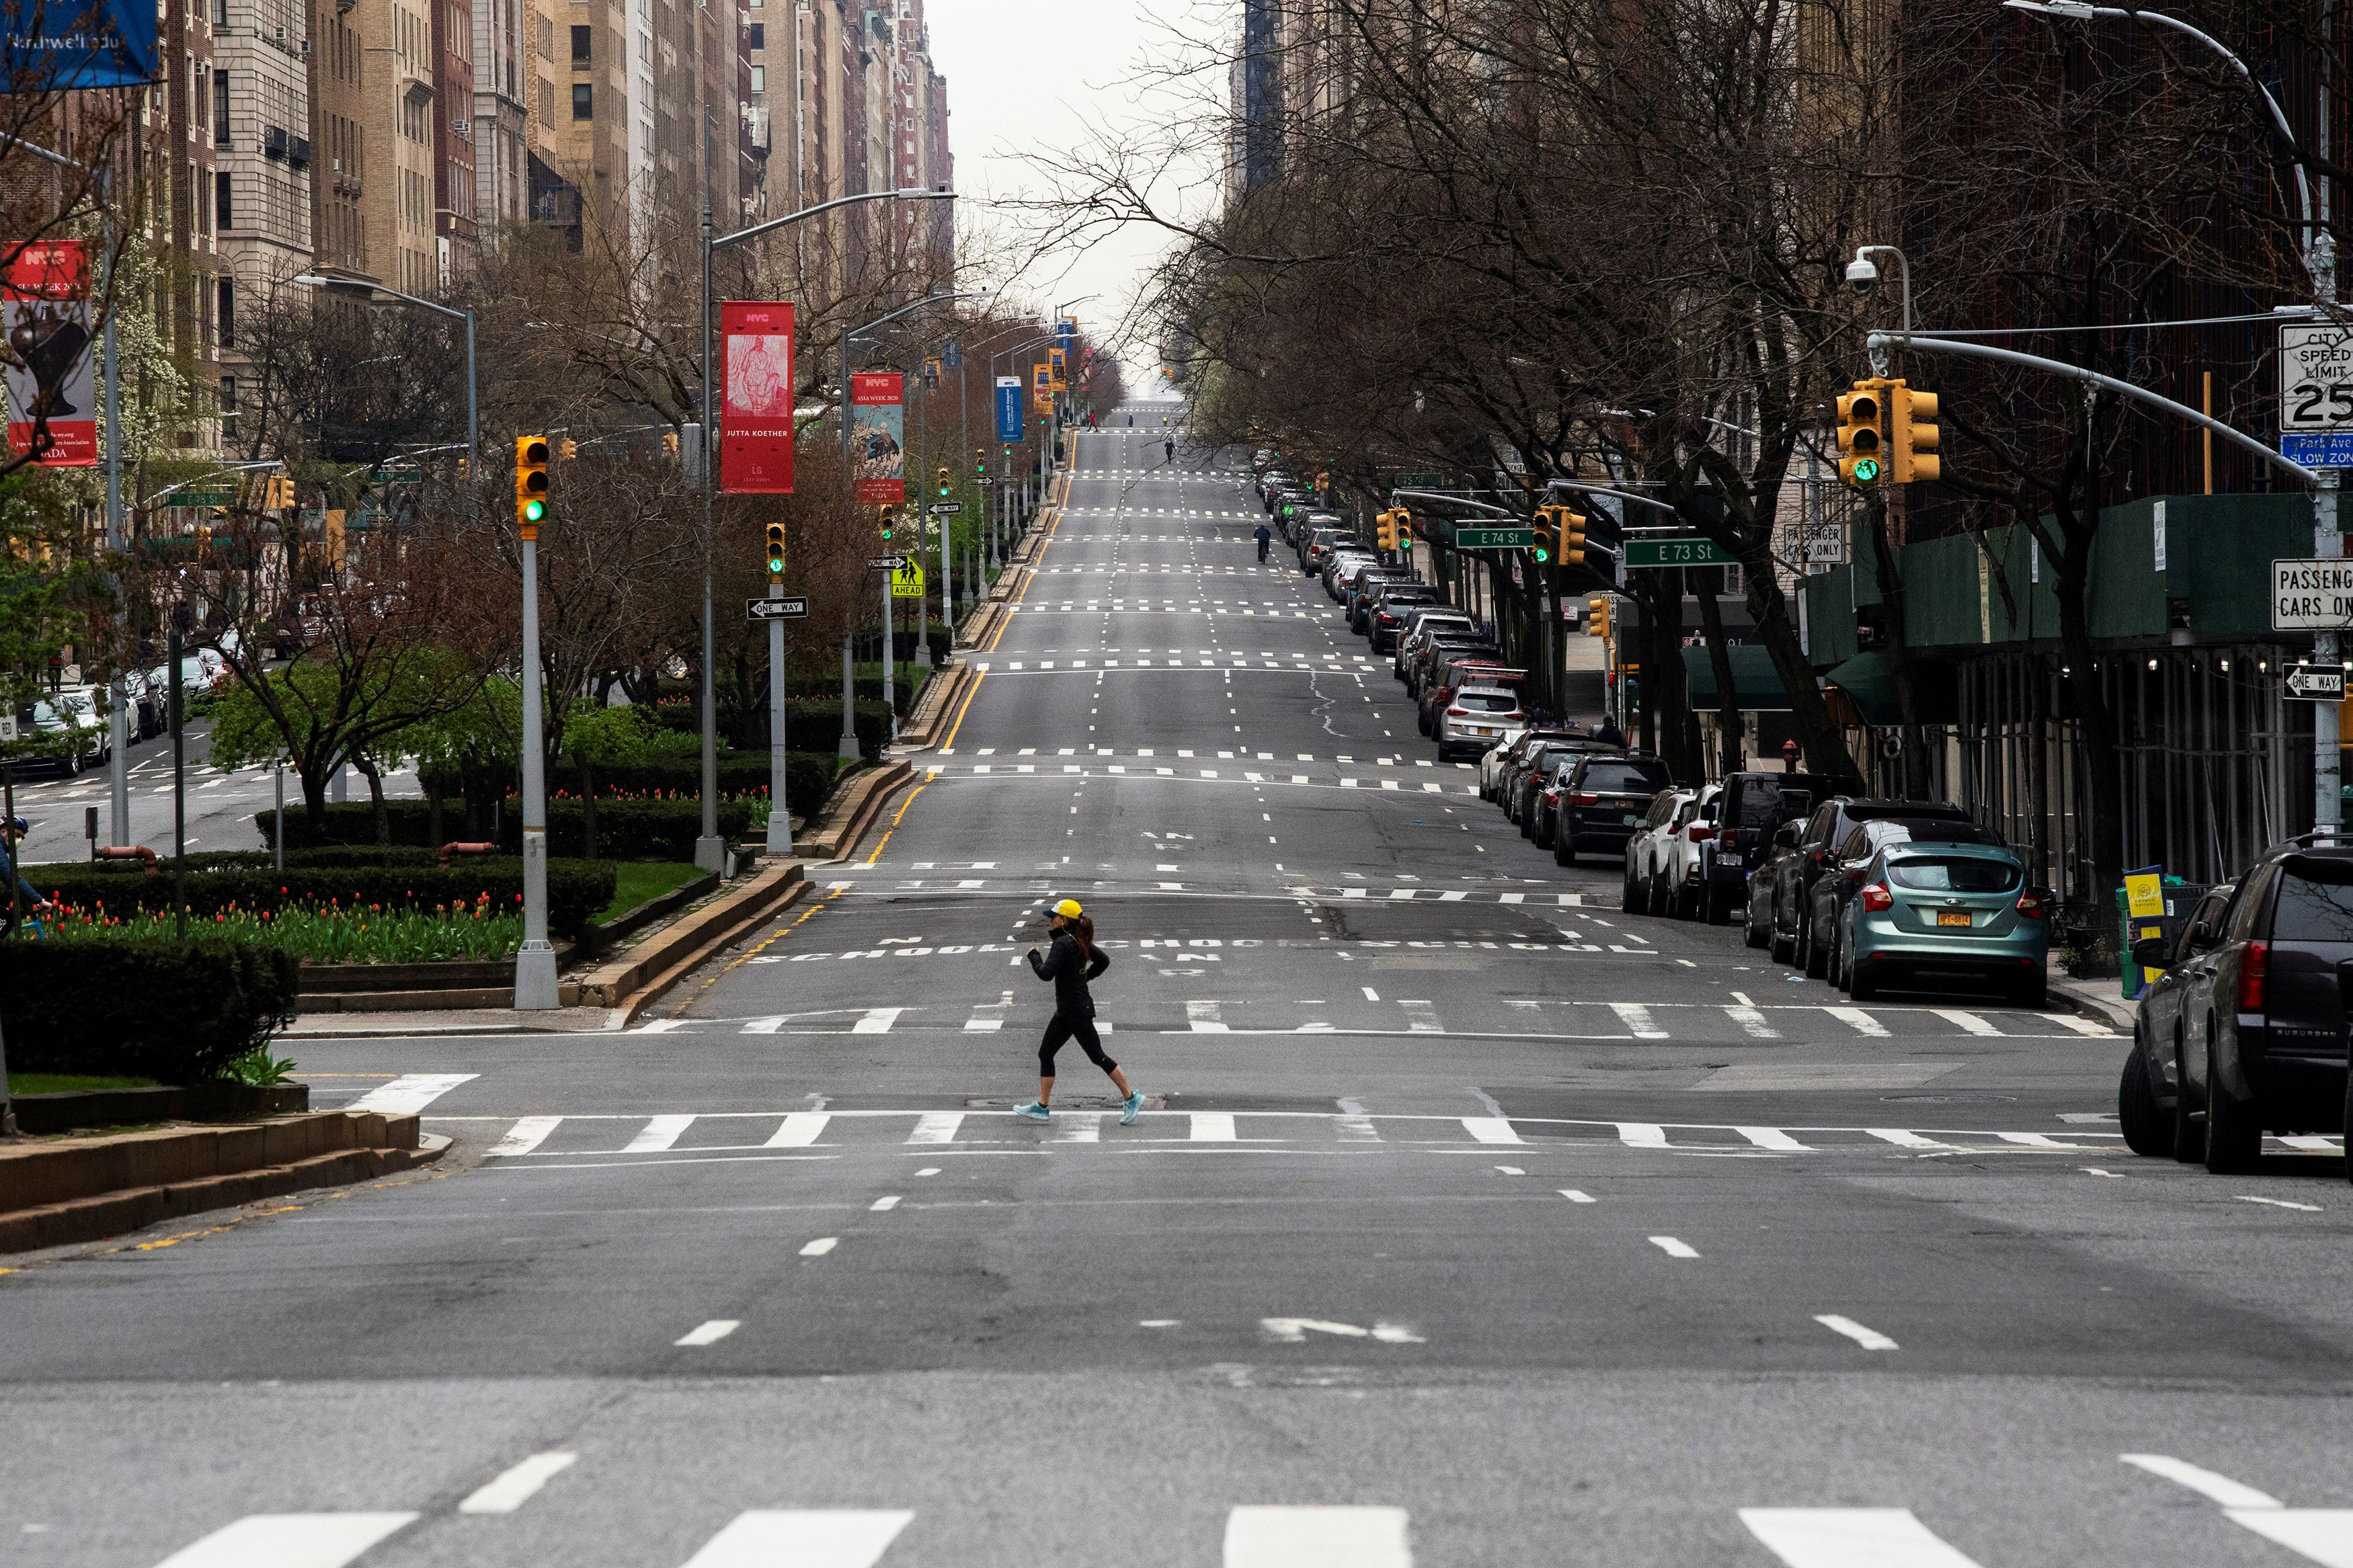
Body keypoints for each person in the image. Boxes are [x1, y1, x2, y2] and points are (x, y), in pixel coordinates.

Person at [1016, 899, 1140, 1124]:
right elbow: (1103, 961)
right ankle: (1042, 1106)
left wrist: (1033, 955)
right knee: (1046, 1053)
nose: (1050, 921)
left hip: (1076, 1012)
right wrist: (1085, 977)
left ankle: (1131, 1098)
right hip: (1069, 1011)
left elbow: (1046, 973)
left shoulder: (1064, 943)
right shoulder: (1077, 940)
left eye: (1054, 917)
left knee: (1098, 1057)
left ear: (1064, 920)